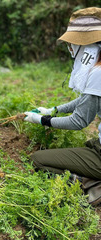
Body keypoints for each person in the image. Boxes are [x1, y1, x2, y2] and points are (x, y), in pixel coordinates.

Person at [24, 7, 101, 206]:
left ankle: (88, 188)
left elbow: (79, 121)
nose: (70, 48)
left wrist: (42, 120)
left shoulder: (99, 73)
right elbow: (86, 100)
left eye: (73, 43)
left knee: (38, 159)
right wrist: (53, 110)